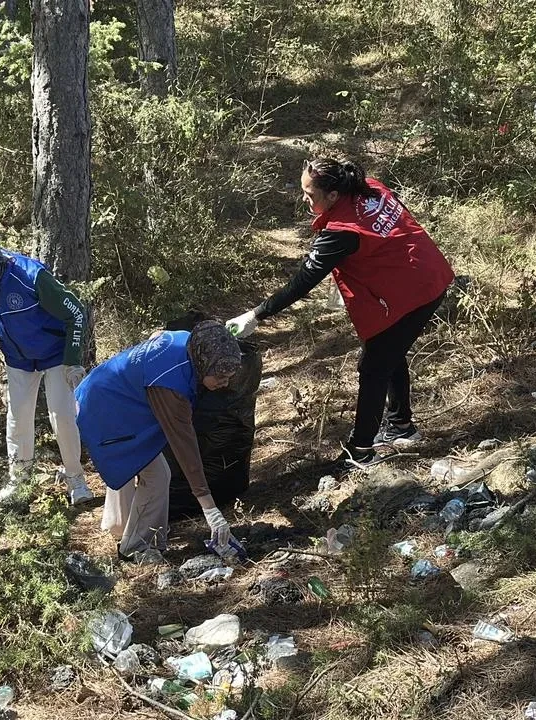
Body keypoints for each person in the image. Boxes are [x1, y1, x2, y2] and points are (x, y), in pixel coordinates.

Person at [227, 158, 453, 470]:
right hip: (427, 273)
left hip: (413, 292)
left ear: (333, 195)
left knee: (374, 367)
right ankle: (402, 426)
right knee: (389, 351)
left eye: (311, 195)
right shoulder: (370, 187)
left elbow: (302, 282)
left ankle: (361, 450)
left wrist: (256, 314)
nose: (305, 200)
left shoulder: (341, 231)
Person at [76, 320, 245, 563]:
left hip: (105, 393)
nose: (225, 382)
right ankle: (136, 547)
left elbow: (159, 334)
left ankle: (120, 526)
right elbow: (184, 447)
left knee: (133, 463)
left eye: (229, 376)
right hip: (104, 408)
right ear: (204, 363)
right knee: (156, 475)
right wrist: (209, 508)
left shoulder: (191, 341)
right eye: (219, 375)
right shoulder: (171, 387)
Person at [0, 234, 96, 505]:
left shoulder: (30, 276)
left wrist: (73, 360)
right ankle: (20, 482)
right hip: (18, 358)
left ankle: (76, 479)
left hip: (55, 353)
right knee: (17, 419)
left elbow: (75, 312)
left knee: (62, 416)